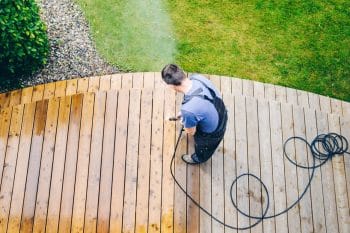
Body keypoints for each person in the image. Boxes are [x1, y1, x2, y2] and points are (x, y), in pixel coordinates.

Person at [161, 64, 228, 164]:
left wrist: (187, 117)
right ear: (182, 71)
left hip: (213, 133)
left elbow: (191, 132)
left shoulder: (188, 111)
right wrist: (187, 113)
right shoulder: (197, 78)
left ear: (171, 86)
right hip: (221, 113)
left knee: (204, 149)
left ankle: (198, 158)